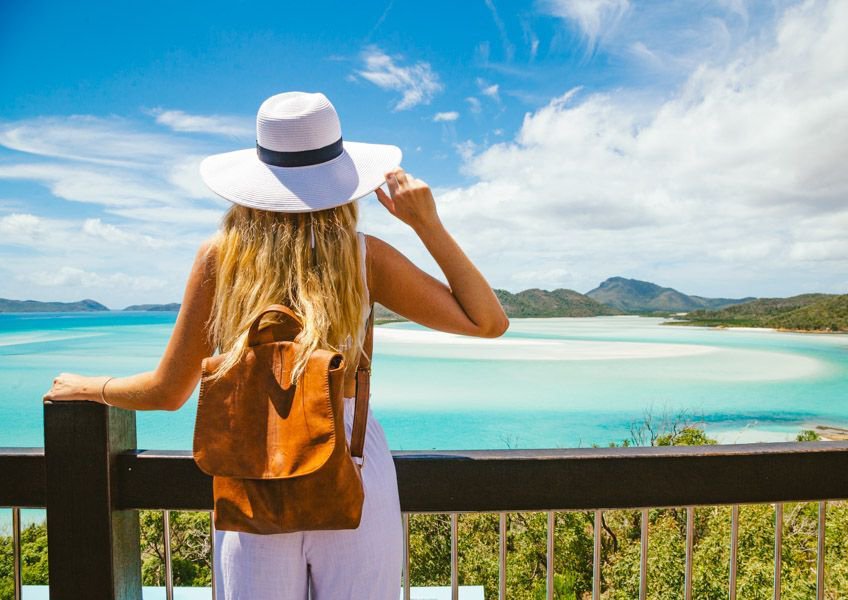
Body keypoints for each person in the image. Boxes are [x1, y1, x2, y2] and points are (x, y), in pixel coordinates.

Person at [41, 91, 509, 599]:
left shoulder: (221, 260)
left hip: (253, 464)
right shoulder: (362, 258)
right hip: (352, 461)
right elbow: (487, 322)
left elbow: (168, 390)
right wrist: (427, 224)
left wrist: (93, 386)